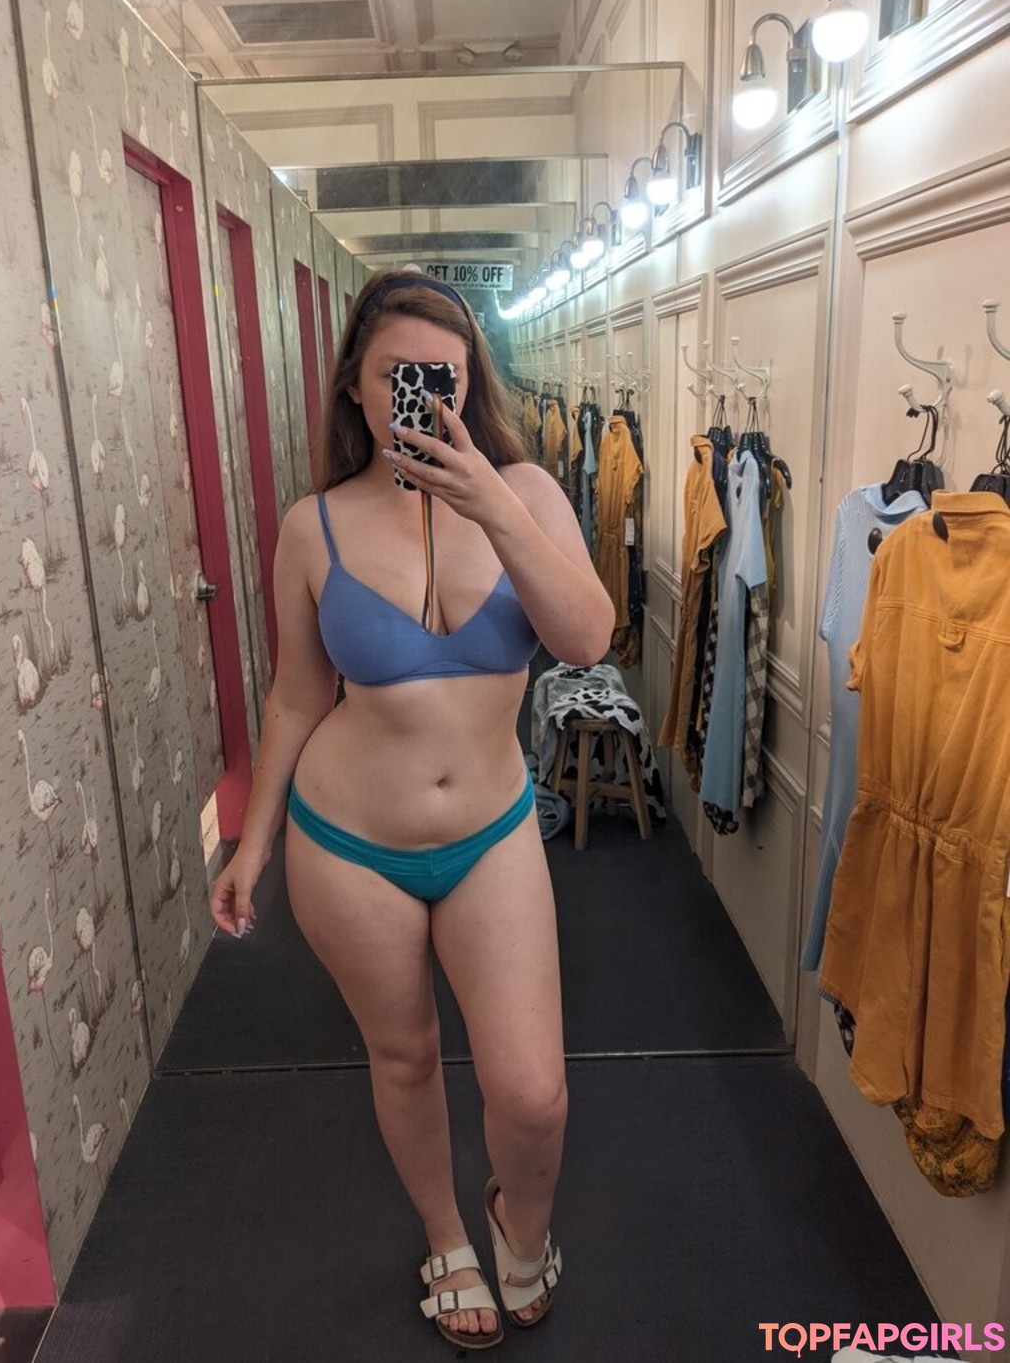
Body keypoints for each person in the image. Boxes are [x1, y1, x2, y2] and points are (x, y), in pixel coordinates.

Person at [209, 268, 615, 1349]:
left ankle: (519, 1224)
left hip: (491, 834)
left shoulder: (527, 494)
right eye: (400, 373)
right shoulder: (315, 527)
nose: (427, 394)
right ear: (356, 385)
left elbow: (586, 637)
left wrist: (491, 501)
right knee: (406, 1058)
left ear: (473, 380)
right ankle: (446, 1236)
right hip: (348, 846)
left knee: (533, 1093)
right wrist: (251, 843)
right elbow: (297, 696)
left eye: (448, 374)